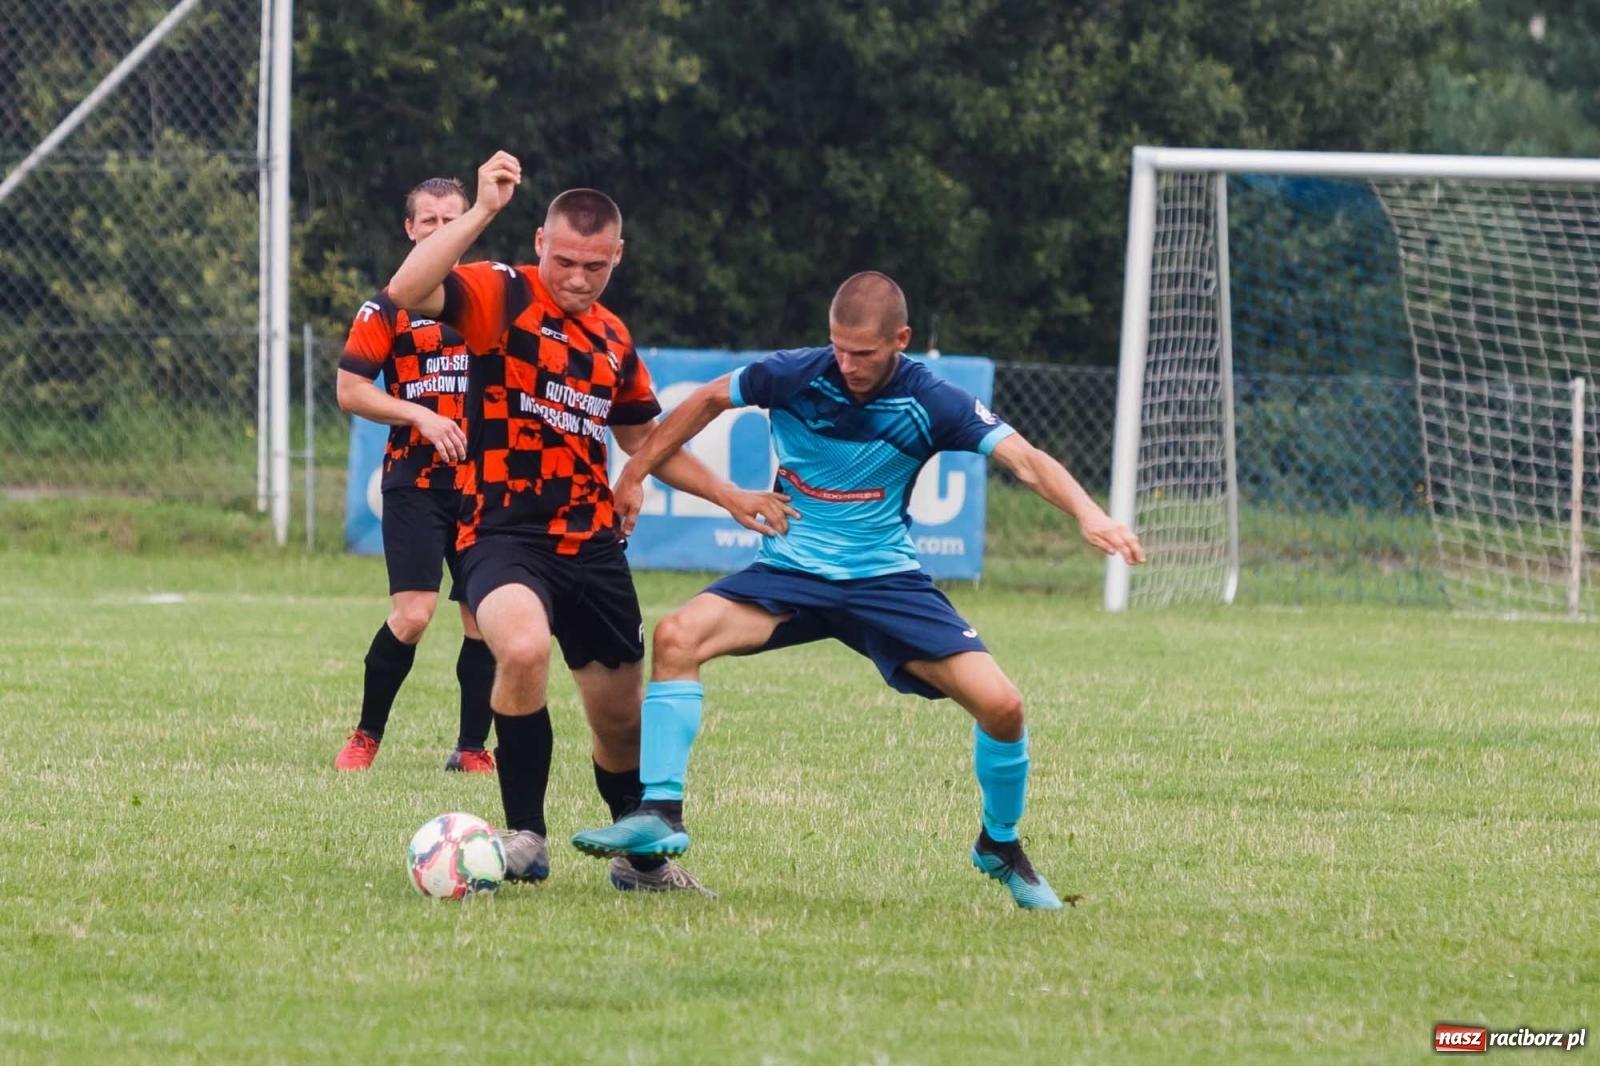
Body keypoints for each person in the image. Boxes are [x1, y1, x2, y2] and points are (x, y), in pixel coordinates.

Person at [570, 271, 1147, 910]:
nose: (846, 365)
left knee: (1003, 707)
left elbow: (1026, 459)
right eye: (838, 348)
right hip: (791, 572)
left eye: (864, 354)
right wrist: (635, 474)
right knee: (677, 636)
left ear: (900, 339)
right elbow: (706, 401)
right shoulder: (795, 373)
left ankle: (1000, 845)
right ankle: (661, 811)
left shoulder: (933, 401)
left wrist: (1089, 514)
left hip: (884, 581)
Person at [386, 151, 797, 894]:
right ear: (541, 241)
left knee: (619, 723)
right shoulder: (499, 294)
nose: (577, 278)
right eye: (566, 260)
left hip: (594, 548)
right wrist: (481, 212)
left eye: (595, 266)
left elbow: (647, 441)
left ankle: (639, 865)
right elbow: (408, 288)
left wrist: (732, 496)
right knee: (519, 646)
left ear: (618, 258)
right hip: (503, 533)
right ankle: (524, 835)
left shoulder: (612, 340)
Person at [333, 177, 497, 775]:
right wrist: (418, 414)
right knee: (413, 614)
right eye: (427, 221)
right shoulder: (388, 305)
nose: (439, 230)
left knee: (486, 620)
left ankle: (472, 748)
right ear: (410, 230)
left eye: (450, 219)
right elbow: (350, 392)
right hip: (416, 483)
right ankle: (366, 736)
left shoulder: (494, 302)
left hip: (485, 485)